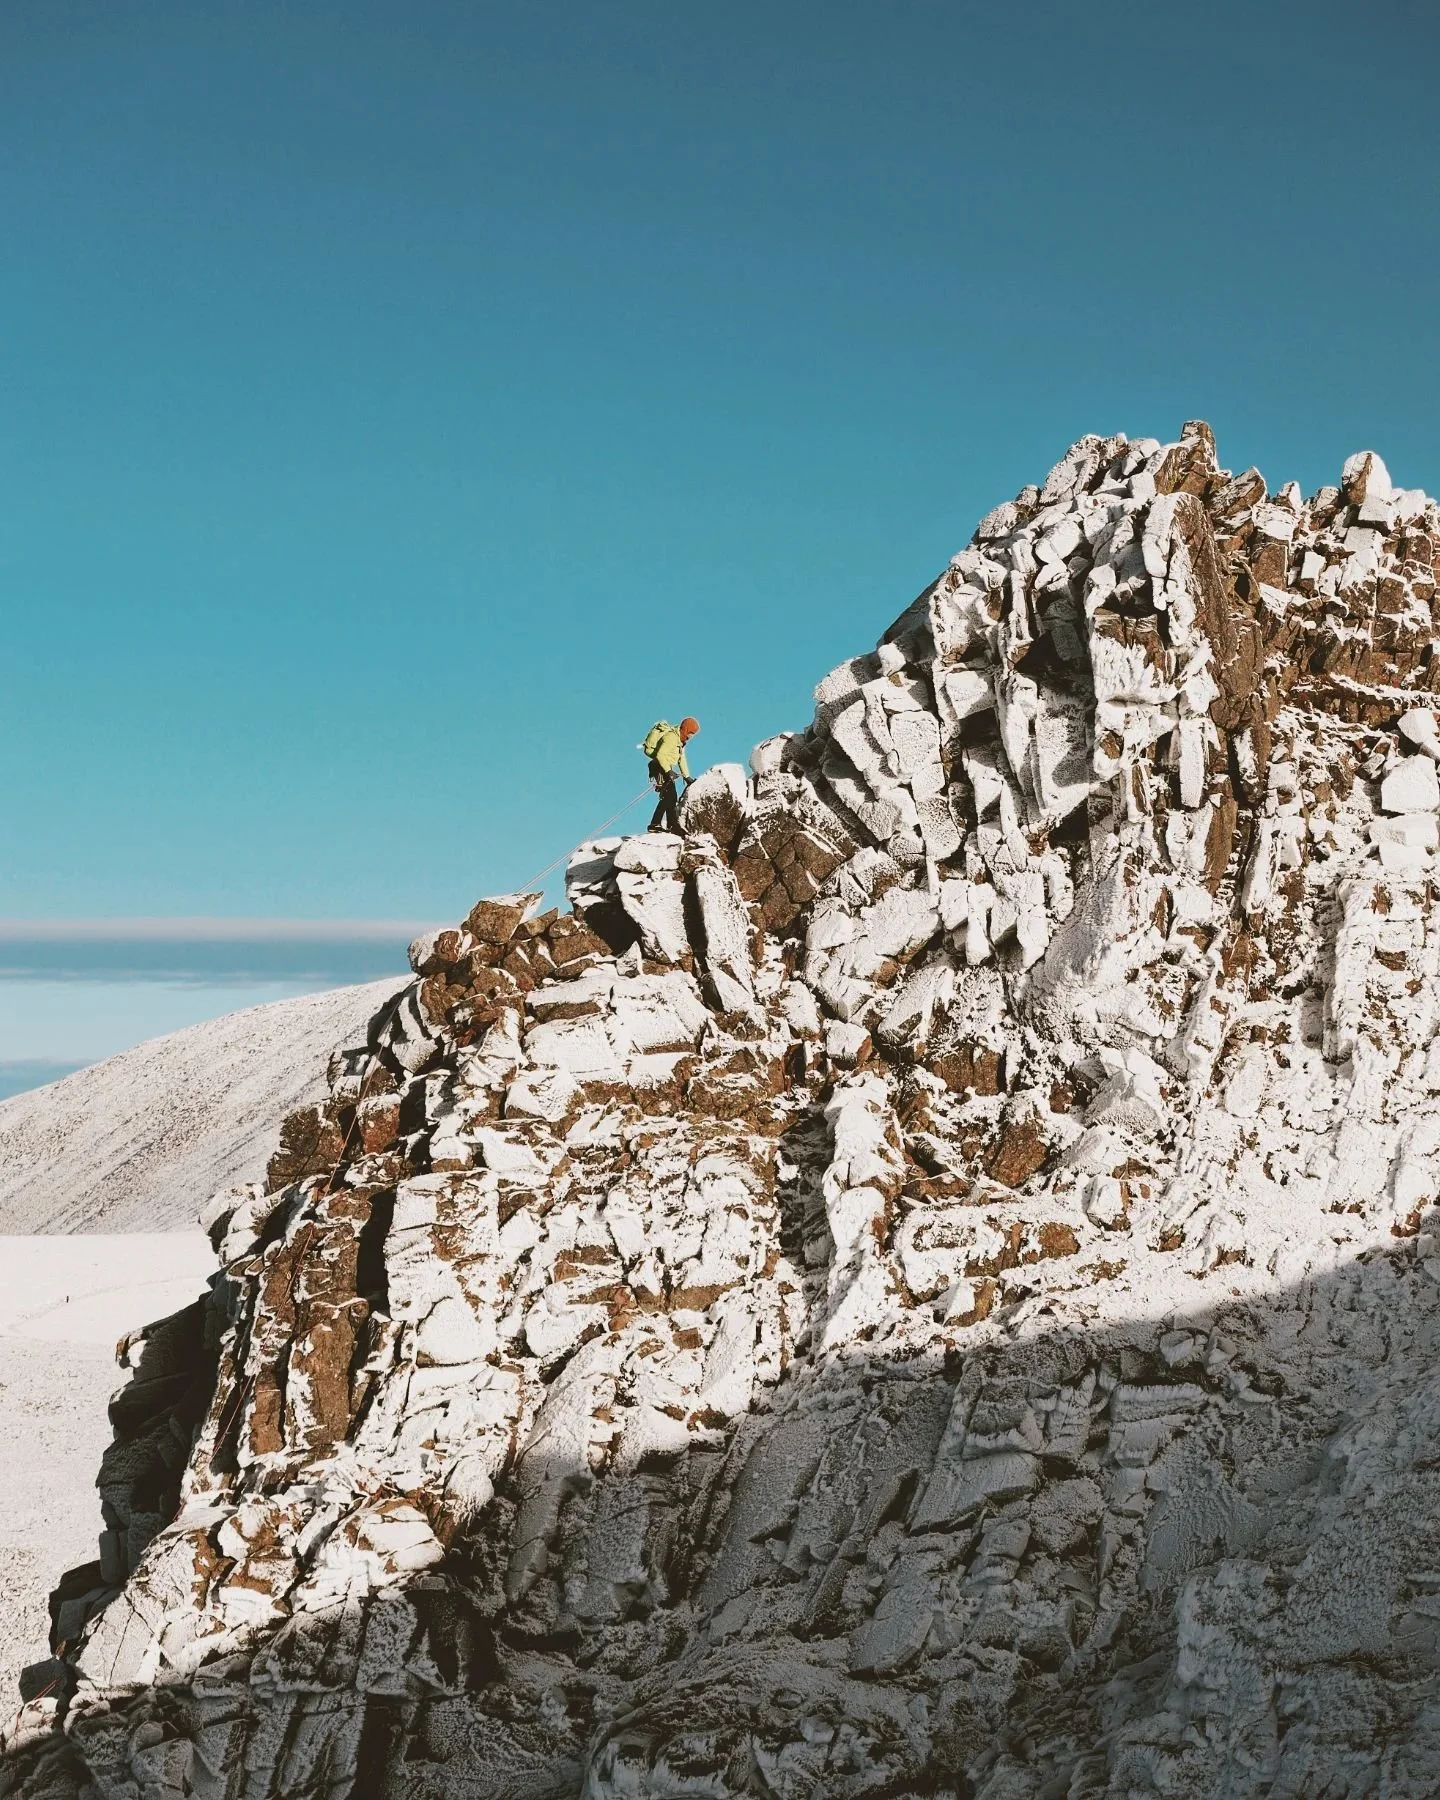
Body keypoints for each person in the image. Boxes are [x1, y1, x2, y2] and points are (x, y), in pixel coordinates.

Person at [644, 716, 700, 833]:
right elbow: (660, 755)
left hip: (665, 769)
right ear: (685, 729)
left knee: (672, 797)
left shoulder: (680, 742)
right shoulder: (671, 737)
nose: (691, 736)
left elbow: (681, 759)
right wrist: (668, 771)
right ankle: (655, 824)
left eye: (693, 734)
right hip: (659, 767)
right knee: (669, 796)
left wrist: (687, 776)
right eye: (691, 732)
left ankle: (671, 825)